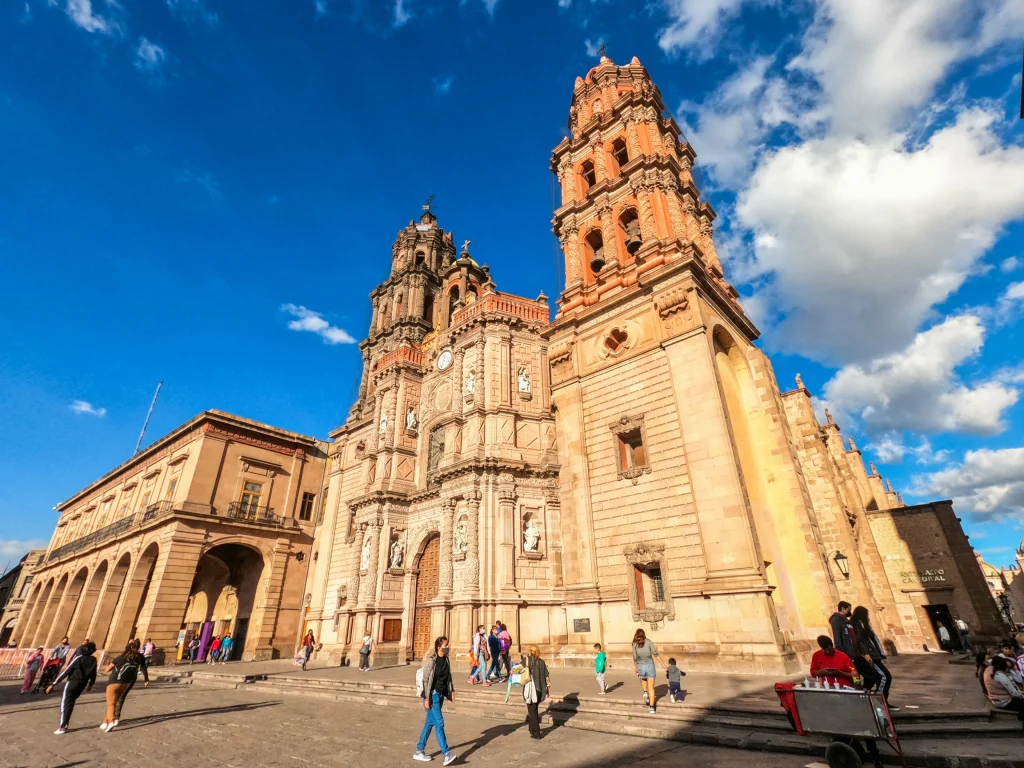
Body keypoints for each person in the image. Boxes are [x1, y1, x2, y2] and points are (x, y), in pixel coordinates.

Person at [413, 636, 457, 765]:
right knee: (439, 723)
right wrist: (427, 698)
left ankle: (419, 750)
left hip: (440, 695)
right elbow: (425, 680)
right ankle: (447, 754)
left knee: (429, 723)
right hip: (432, 696)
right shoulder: (431, 661)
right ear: (439, 647)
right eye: (446, 645)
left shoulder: (446, 660)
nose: (448, 647)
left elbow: (449, 677)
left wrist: (452, 691)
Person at [851, 606, 896, 709]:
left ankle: (872, 699)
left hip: (874, 655)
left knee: (873, 679)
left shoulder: (863, 625)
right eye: (866, 615)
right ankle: (879, 701)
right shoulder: (858, 625)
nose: (868, 617)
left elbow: (870, 640)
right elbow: (860, 641)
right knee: (884, 677)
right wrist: (866, 654)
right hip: (870, 657)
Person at [47, 642, 97, 735]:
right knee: (71, 702)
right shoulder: (93, 660)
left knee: (66, 703)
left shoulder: (78, 658)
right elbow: (93, 673)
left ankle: (62, 726)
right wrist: (91, 684)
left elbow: (66, 671)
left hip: (73, 682)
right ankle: (65, 723)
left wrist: (53, 684)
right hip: (83, 683)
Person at [101, 641, 143, 732]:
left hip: (114, 682)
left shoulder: (120, 658)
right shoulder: (137, 659)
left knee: (111, 703)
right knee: (114, 702)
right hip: (126, 683)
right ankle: (105, 721)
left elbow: (107, 670)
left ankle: (111, 721)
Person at [523, 645, 550, 739]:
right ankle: (532, 729)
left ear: (530, 651)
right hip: (539, 689)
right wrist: (548, 688)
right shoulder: (542, 662)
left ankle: (536, 732)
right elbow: (547, 676)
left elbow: (518, 670)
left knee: (532, 711)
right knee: (534, 710)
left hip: (530, 689)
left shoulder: (526, 660)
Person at [632, 627, 660, 714]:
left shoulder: (634, 644)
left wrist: (636, 668)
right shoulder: (649, 642)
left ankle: (645, 693)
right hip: (650, 665)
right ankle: (652, 708)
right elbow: (655, 654)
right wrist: (664, 666)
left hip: (640, 665)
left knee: (643, 679)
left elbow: (635, 658)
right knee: (651, 688)